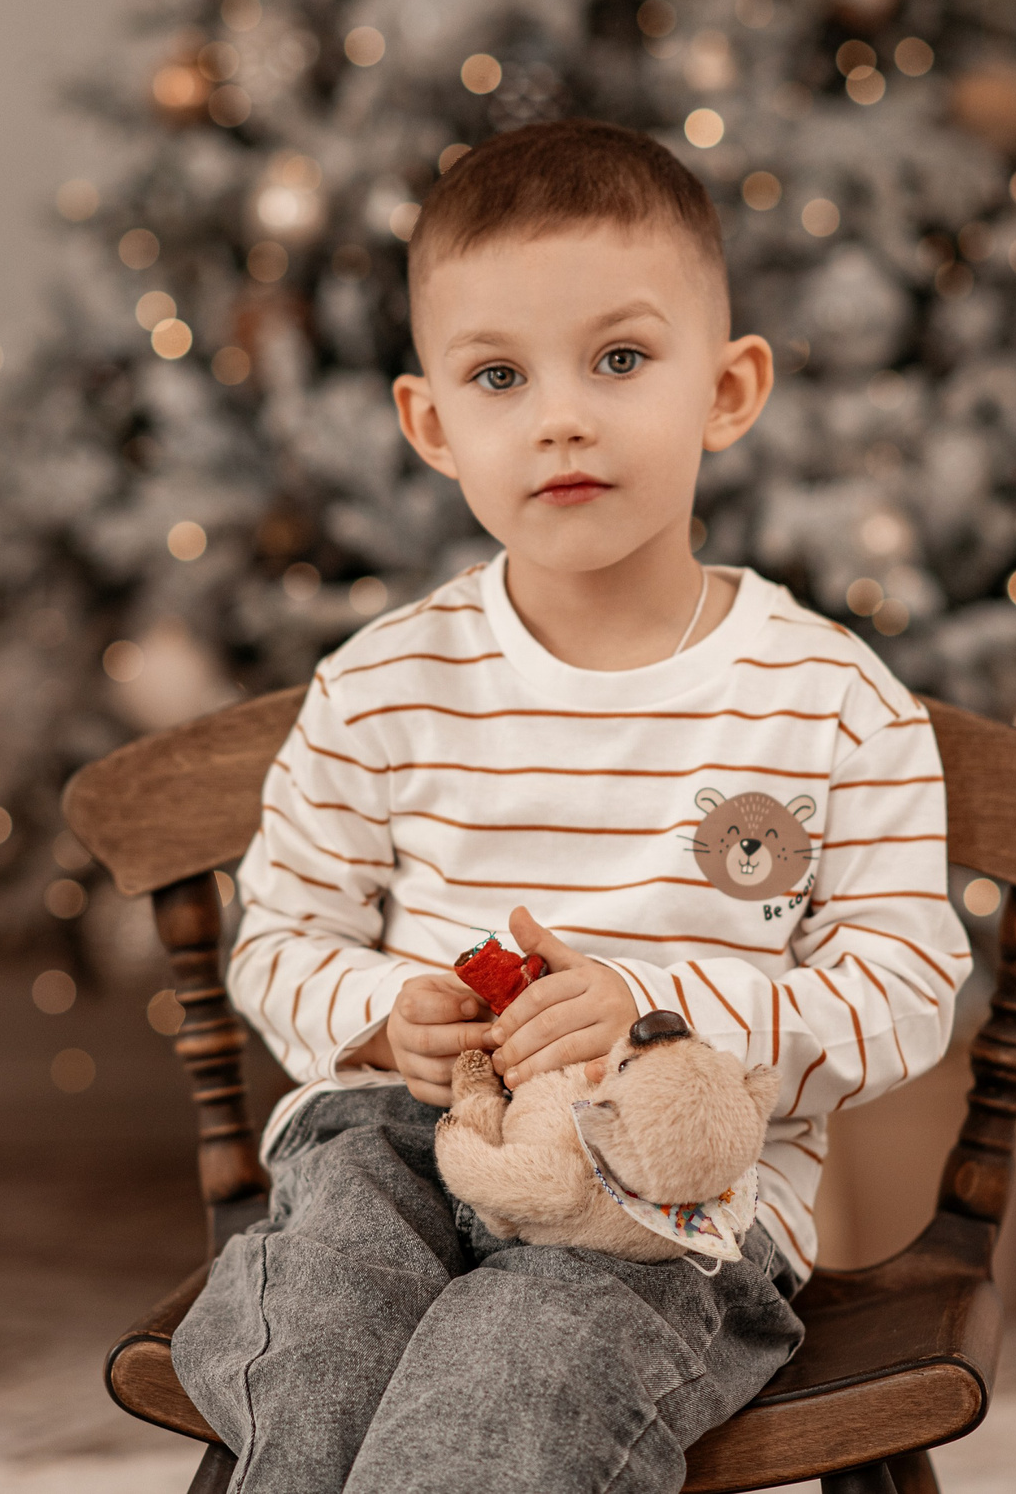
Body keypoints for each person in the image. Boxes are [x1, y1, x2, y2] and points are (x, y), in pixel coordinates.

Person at [172, 118, 967, 1494]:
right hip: (409, 1145)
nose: (561, 416)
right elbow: (276, 941)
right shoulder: (383, 687)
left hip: (672, 1207)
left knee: (512, 1378)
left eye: (619, 359)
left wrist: (665, 1014)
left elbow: (909, 982)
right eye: (499, 374)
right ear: (432, 423)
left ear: (727, 390)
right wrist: (377, 1010)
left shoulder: (827, 699)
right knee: (324, 1325)